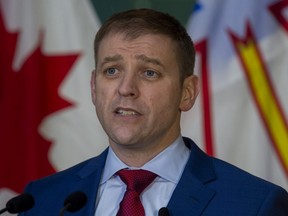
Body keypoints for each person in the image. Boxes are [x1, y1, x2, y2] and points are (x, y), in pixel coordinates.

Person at [20, 8, 288, 216]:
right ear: (93, 86)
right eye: (112, 70)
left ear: (187, 93)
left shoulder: (254, 204)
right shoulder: (42, 200)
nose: (126, 89)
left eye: (149, 72)